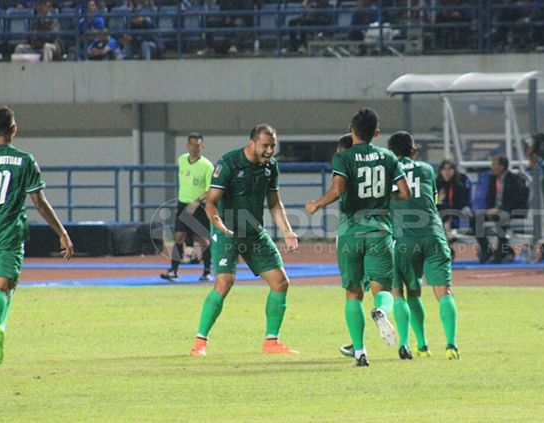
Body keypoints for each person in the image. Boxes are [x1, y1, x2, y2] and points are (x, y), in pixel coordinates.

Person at [0, 106, 73, 379]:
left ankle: (1, 329)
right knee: (1, 288)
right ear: (14, 128)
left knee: (8, 284)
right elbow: (38, 202)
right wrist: (61, 232)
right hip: (9, 233)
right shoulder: (25, 160)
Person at [305, 108, 411, 367]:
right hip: (379, 231)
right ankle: (382, 311)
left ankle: (360, 352)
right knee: (382, 289)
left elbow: (338, 190)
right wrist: (387, 196)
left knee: (353, 293)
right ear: (376, 133)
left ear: (351, 130)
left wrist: (317, 204)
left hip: (350, 232)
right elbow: (405, 193)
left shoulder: (343, 157)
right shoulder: (388, 157)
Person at [190, 124, 299, 357]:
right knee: (224, 282)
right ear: (252, 143)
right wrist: (217, 221)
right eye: (265, 146)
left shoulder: (271, 167)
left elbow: (274, 203)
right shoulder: (229, 163)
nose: (270, 150)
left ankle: (271, 342)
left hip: (254, 231)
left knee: (280, 282)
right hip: (227, 230)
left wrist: (287, 232)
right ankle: (199, 342)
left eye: (273, 146)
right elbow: (210, 200)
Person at [387, 131, 459, 360]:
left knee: (405, 292)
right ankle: (451, 346)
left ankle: (416, 345)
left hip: (403, 240)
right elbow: (434, 200)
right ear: (414, 151)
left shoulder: (387, 172)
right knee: (443, 292)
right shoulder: (427, 169)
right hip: (433, 235)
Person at [160, 133, 215, 282]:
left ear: (202, 146)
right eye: (192, 145)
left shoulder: (207, 166)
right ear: (187, 146)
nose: (194, 148)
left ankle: (207, 270)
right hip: (182, 204)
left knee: (203, 240)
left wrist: (197, 201)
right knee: (179, 237)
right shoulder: (182, 160)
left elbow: (210, 188)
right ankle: (174, 271)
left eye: (197, 145)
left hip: (198, 206)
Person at [472, 155, 527, 264]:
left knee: (501, 219)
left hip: (512, 211)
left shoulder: (515, 179)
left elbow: (518, 199)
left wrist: (500, 209)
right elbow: (489, 197)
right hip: (495, 210)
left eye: (494, 165)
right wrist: (489, 210)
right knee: (475, 219)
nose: (492, 167)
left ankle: (500, 253)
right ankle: (486, 251)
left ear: (502, 167)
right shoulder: (492, 179)